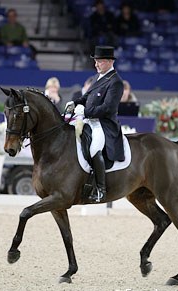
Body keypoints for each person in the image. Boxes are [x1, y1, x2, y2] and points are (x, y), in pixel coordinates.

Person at [66, 46, 125, 203]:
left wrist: (85, 112)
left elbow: (108, 108)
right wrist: (74, 103)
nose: (96, 64)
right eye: (95, 61)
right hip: (89, 121)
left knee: (94, 148)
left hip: (104, 124)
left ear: (110, 61)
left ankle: (100, 189)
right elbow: (86, 97)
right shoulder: (96, 77)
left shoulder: (116, 82)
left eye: (99, 61)